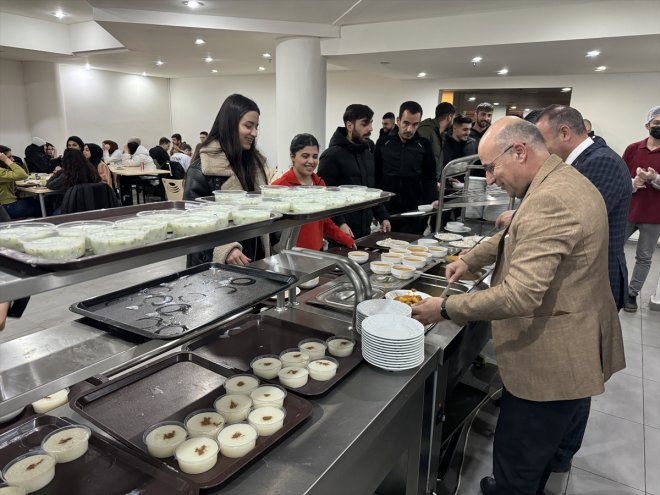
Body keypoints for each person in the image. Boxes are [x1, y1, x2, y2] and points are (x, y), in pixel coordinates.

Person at [411, 117, 625, 495]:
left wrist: (444, 309)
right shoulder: (556, 179)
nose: (490, 179)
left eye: (492, 167)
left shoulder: (551, 199)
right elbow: (515, 233)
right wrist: (470, 259)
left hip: (552, 363)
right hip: (567, 344)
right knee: (532, 458)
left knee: (519, 468)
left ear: (520, 151)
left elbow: (520, 295)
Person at [535, 104, 632, 472]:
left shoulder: (601, 162)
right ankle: (557, 445)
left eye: (543, 141)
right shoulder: (585, 161)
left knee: (579, 374)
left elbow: (573, 221)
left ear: (564, 133)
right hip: (586, 279)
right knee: (573, 371)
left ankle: (561, 454)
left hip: (597, 284)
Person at [184, 93, 273, 266]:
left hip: (253, 257)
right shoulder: (202, 169)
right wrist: (223, 248)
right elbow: (192, 224)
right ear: (230, 125)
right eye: (248, 126)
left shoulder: (253, 164)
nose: (254, 133)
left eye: (256, 127)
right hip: (217, 268)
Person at [318, 104, 391, 239]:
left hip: (365, 231)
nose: (370, 129)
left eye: (371, 123)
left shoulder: (367, 154)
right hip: (340, 234)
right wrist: (340, 224)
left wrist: (382, 216)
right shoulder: (331, 156)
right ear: (350, 126)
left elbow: (371, 191)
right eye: (365, 124)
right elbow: (325, 196)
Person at [272, 134, 355, 251]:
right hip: (289, 253)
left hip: (317, 251)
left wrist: (345, 239)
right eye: (305, 156)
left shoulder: (320, 184)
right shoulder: (279, 186)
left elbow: (325, 221)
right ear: (292, 157)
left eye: (315, 156)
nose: (311, 161)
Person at [374, 100, 437, 234]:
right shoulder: (383, 143)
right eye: (406, 123)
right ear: (398, 120)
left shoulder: (424, 144)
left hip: (415, 209)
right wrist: (376, 208)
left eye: (415, 125)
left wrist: (433, 199)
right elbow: (375, 175)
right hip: (388, 209)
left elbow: (430, 176)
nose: (410, 129)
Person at [622, 105, 660, 312]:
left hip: (654, 216)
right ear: (647, 125)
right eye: (656, 123)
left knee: (644, 258)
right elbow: (618, 177)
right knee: (611, 248)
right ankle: (611, 285)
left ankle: (631, 294)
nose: (659, 127)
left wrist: (655, 178)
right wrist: (633, 183)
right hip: (627, 211)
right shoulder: (632, 149)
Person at [46, 148, 101, 213]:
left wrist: (59, 171)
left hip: (70, 207)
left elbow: (49, 185)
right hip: (91, 206)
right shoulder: (91, 171)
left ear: (65, 160)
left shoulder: (67, 175)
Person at [417, 102, 455, 178]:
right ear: (449, 117)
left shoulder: (440, 134)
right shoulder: (426, 130)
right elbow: (417, 161)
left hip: (432, 183)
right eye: (453, 118)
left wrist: (444, 179)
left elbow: (436, 162)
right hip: (422, 185)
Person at [0, 147, 41, 219]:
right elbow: (23, 175)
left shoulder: (2, 170)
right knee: (42, 206)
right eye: (9, 157)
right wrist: (7, 160)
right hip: (6, 207)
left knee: (36, 202)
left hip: (7, 204)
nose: (13, 159)